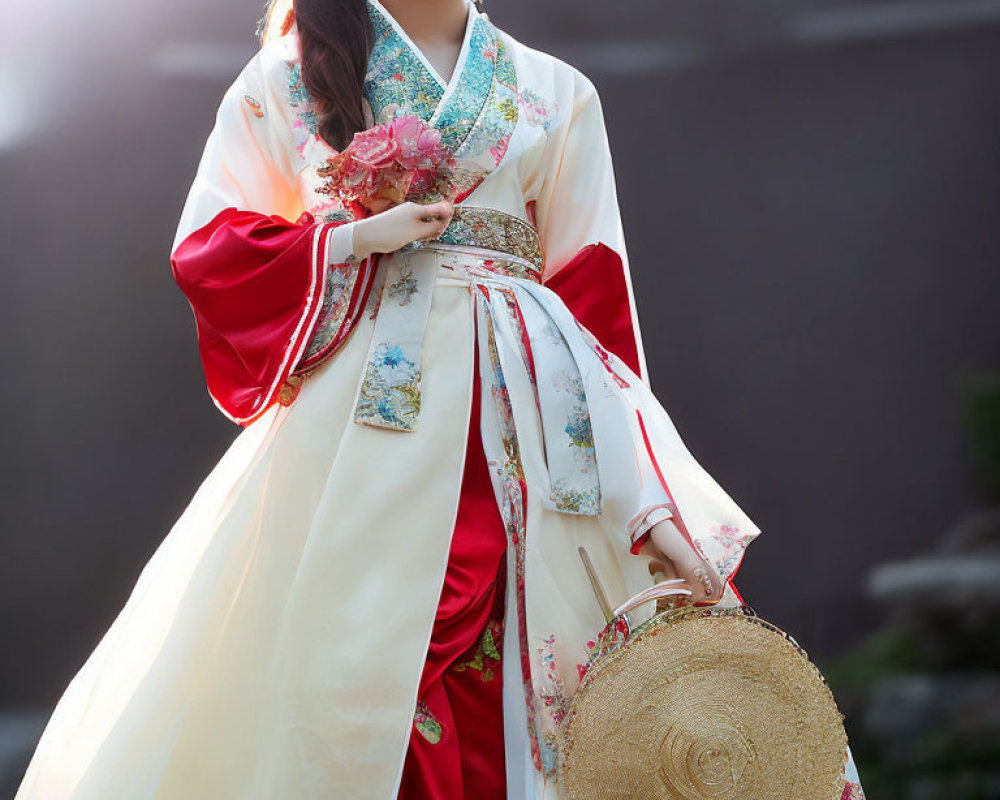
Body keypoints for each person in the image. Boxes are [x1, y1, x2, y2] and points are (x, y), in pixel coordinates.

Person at [14, 0, 866, 798]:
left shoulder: (556, 89)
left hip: (542, 420)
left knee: (601, 704)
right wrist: (350, 239)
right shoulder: (282, 82)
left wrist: (646, 495)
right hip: (364, 432)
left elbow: (598, 308)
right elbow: (210, 249)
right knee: (348, 676)